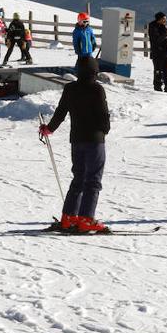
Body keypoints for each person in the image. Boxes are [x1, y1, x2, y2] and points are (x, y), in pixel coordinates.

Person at [39, 56, 111, 233]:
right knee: (93, 181)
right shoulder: (97, 89)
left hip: (76, 140)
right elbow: (103, 117)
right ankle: (86, 219)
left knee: (78, 178)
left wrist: (49, 128)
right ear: (95, 71)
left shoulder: (70, 88)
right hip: (94, 141)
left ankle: (68, 218)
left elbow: (61, 112)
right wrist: (104, 130)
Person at [147, 12, 167, 94]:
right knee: (158, 71)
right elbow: (156, 40)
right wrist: (165, 34)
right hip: (157, 53)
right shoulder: (153, 27)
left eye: (165, 19)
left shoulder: (164, 27)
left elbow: (166, 39)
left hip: (166, 53)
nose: (165, 20)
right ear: (159, 19)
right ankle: (158, 89)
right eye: (163, 19)